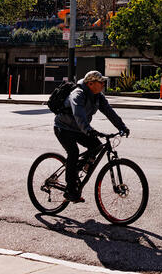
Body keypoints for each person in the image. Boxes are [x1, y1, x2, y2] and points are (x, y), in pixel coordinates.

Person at [53, 71, 130, 203]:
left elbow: (109, 112)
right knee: (73, 152)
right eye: (101, 82)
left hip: (79, 129)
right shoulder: (77, 94)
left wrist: (122, 127)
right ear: (90, 83)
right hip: (64, 127)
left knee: (97, 146)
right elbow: (79, 115)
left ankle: (75, 169)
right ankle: (70, 191)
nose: (103, 85)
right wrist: (89, 130)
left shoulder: (98, 96)